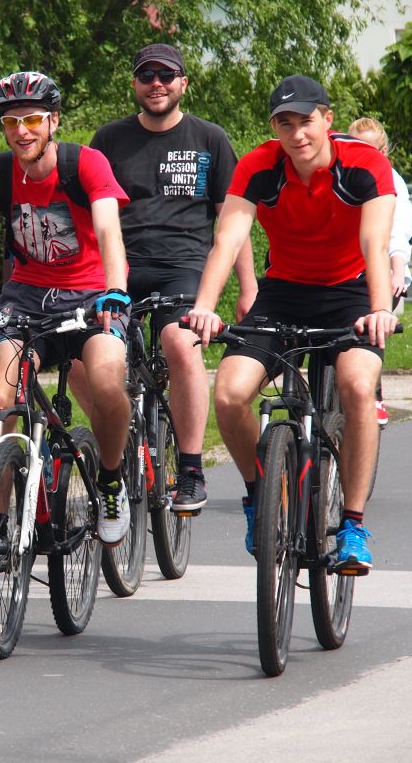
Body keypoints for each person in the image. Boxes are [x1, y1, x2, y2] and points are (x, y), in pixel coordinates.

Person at [184, 75, 398, 573]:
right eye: (285, 123)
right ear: (274, 128)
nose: (297, 133)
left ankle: (352, 524)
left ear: (327, 119)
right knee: (231, 393)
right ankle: (259, 497)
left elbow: (374, 245)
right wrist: (206, 306)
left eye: (306, 121)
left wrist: (380, 308)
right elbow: (228, 240)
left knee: (358, 386)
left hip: (351, 293)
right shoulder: (259, 167)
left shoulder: (366, 165)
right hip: (284, 293)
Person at [0, 71, 133, 564]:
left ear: (53, 121)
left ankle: (110, 479)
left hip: (91, 293)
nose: (21, 130)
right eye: (11, 121)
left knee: (107, 379)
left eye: (32, 119)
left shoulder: (86, 163)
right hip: (26, 297)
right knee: (1, 397)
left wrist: (115, 290)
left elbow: (108, 230)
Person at [88, 43, 257, 517]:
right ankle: (112, 459)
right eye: (146, 75)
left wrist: (248, 289)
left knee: (180, 345)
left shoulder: (210, 139)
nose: (156, 83)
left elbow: (232, 224)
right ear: (135, 84)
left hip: (183, 266)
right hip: (120, 268)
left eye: (166, 75)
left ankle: (189, 467)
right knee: (95, 358)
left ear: (184, 82)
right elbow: (91, 215)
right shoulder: (109, 140)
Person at [347, 116, 412, 426]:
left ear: (382, 151)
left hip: (382, 269)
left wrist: (396, 273)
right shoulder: (340, 174)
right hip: (344, 269)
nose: (359, 155)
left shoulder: (391, 181)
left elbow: (396, 235)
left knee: (371, 321)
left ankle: (373, 393)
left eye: (368, 150)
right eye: (353, 147)